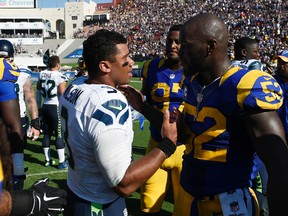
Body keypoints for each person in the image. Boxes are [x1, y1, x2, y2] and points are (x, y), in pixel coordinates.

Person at [120, 13, 288, 215]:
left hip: (228, 202)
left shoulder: (246, 86)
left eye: (187, 45)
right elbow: (180, 134)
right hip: (189, 195)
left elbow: (279, 165)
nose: (179, 51)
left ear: (210, 46)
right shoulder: (193, 82)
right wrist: (143, 107)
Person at [59, 29, 177, 216]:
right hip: (100, 206)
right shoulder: (109, 104)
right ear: (105, 66)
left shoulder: (76, 85)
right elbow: (123, 184)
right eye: (126, 58)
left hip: (76, 193)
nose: (131, 63)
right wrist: (167, 145)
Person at [0, 42, 67, 215]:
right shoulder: (17, 71)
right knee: (14, 161)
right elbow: (29, 98)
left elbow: (31, 97)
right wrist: (35, 121)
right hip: (15, 117)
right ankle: (16, 183)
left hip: (13, 118)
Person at [140, 24, 185, 215]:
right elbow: (144, 98)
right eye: (170, 41)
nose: (173, 45)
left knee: (185, 207)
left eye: (178, 42)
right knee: (149, 204)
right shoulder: (151, 67)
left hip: (185, 148)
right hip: (157, 144)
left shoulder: (197, 71)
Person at [0, 39, 26, 190]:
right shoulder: (5, 68)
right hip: (4, 88)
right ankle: (17, 173)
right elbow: (14, 126)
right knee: (15, 126)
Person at [36, 55, 68, 169]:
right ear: (58, 64)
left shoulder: (41, 74)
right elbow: (63, 94)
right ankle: (61, 161)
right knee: (59, 134)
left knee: (46, 133)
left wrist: (38, 109)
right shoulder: (60, 76)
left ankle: (47, 160)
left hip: (45, 106)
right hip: (55, 107)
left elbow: (38, 92)